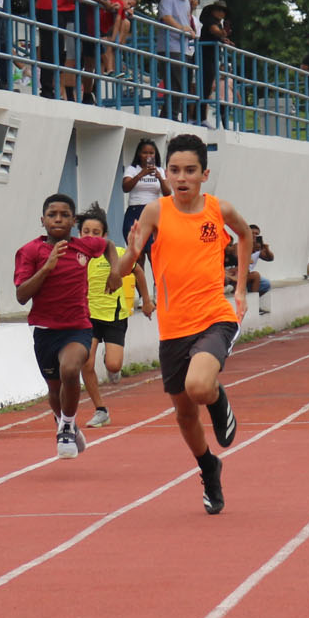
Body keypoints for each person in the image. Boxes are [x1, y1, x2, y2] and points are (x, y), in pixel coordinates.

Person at [107, 133, 249, 515]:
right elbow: (123, 270)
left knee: (199, 386)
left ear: (204, 174)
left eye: (190, 171)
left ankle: (219, 403)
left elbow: (246, 234)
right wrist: (130, 251)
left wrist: (240, 292)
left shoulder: (218, 210)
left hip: (214, 317)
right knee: (184, 414)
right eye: (175, 170)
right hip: (173, 327)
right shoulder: (155, 212)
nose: (182, 177)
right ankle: (209, 467)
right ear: (166, 173)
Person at [14, 194, 116, 459]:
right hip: (45, 331)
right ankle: (64, 421)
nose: (57, 219)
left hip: (77, 327)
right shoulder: (29, 252)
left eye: (63, 215)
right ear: (43, 220)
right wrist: (47, 267)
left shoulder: (83, 246)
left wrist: (115, 271)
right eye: (52, 214)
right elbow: (22, 295)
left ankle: (67, 428)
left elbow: (108, 245)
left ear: (73, 221)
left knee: (71, 369)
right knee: (54, 389)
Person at [77, 203, 153, 428]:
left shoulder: (117, 254)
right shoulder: (76, 257)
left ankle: (111, 363)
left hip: (114, 316)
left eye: (96, 233)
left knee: (112, 365)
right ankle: (100, 409)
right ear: (79, 234)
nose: (90, 236)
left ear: (105, 235)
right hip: (87, 317)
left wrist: (146, 301)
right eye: (86, 232)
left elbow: (138, 270)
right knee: (85, 362)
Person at [121, 138, 169, 269]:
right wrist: (141, 174)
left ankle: (158, 288)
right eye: (145, 153)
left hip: (154, 212)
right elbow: (125, 187)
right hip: (135, 212)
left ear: (156, 155)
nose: (148, 156)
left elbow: (167, 193)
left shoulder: (160, 170)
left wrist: (160, 178)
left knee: (153, 255)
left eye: (151, 153)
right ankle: (141, 289)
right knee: (138, 255)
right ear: (138, 154)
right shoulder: (133, 169)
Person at [158, 0, 196, 121]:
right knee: (176, 84)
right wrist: (182, 28)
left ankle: (169, 115)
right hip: (169, 47)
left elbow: (186, 20)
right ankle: (171, 116)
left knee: (180, 85)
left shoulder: (187, 2)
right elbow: (166, 17)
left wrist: (189, 30)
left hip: (184, 48)